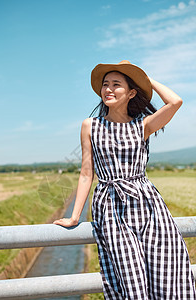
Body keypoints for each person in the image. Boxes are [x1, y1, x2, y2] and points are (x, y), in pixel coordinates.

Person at [53, 60, 196, 299]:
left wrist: (143, 77)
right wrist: (75, 216)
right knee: (130, 276)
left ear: (131, 92)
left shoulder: (143, 125)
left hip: (148, 205)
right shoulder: (91, 126)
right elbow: (87, 172)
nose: (108, 89)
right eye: (105, 84)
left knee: (165, 267)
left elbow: (175, 102)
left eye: (116, 84)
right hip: (110, 206)